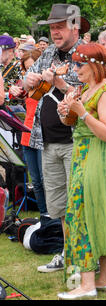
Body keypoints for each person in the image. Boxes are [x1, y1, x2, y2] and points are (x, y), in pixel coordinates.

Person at [56, 43, 106, 300]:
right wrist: (66, 113)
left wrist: (81, 113)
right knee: (93, 212)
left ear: (95, 66)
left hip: (98, 156)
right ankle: (104, 278)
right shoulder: (86, 89)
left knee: (82, 214)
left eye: (80, 64)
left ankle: (87, 284)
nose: (75, 69)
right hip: (83, 154)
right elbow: (77, 122)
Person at [24, 3, 90, 273]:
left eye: (60, 27)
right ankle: (66, 252)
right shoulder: (49, 52)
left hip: (77, 140)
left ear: (75, 26)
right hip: (47, 141)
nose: (55, 33)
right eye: (52, 28)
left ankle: (85, 255)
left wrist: (61, 84)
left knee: (80, 201)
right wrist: (30, 78)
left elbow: (90, 93)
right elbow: (32, 79)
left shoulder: (86, 54)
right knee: (59, 205)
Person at [14, 49, 49, 220]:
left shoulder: (46, 86)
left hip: (42, 134)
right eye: (26, 69)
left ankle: (53, 215)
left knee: (45, 179)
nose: (30, 73)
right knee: (35, 180)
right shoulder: (27, 86)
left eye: (32, 68)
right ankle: (43, 214)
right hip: (27, 133)